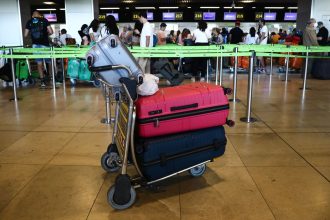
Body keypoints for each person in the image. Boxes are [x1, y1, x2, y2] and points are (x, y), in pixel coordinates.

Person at [24, 10, 53, 88]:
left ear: (33, 15)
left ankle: (42, 81)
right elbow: (51, 32)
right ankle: (51, 77)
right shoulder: (44, 20)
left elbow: (25, 34)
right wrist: (46, 34)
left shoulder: (29, 22)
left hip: (35, 45)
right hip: (45, 44)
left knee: (39, 63)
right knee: (49, 62)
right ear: (39, 15)